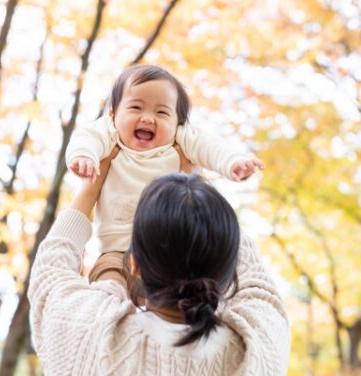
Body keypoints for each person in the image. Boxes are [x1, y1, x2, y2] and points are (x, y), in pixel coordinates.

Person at [28, 150, 290, 376]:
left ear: (135, 265)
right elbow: (256, 281)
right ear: (227, 269)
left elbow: (50, 272)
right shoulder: (260, 351)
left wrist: (91, 187)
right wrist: (196, 193)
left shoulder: (89, 334)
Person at [65, 64, 264, 282]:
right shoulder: (109, 134)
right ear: (113, 115)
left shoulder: (181, 140)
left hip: (171, 248)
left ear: (177, 123)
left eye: (161, 112)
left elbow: (211, 147)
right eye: (136, 108)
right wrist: (84, 156)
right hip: (117, 248)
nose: (148, 118)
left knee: (188, 286)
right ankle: (107, 307)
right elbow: (87, 138)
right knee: (107, 281)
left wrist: (234, 162)